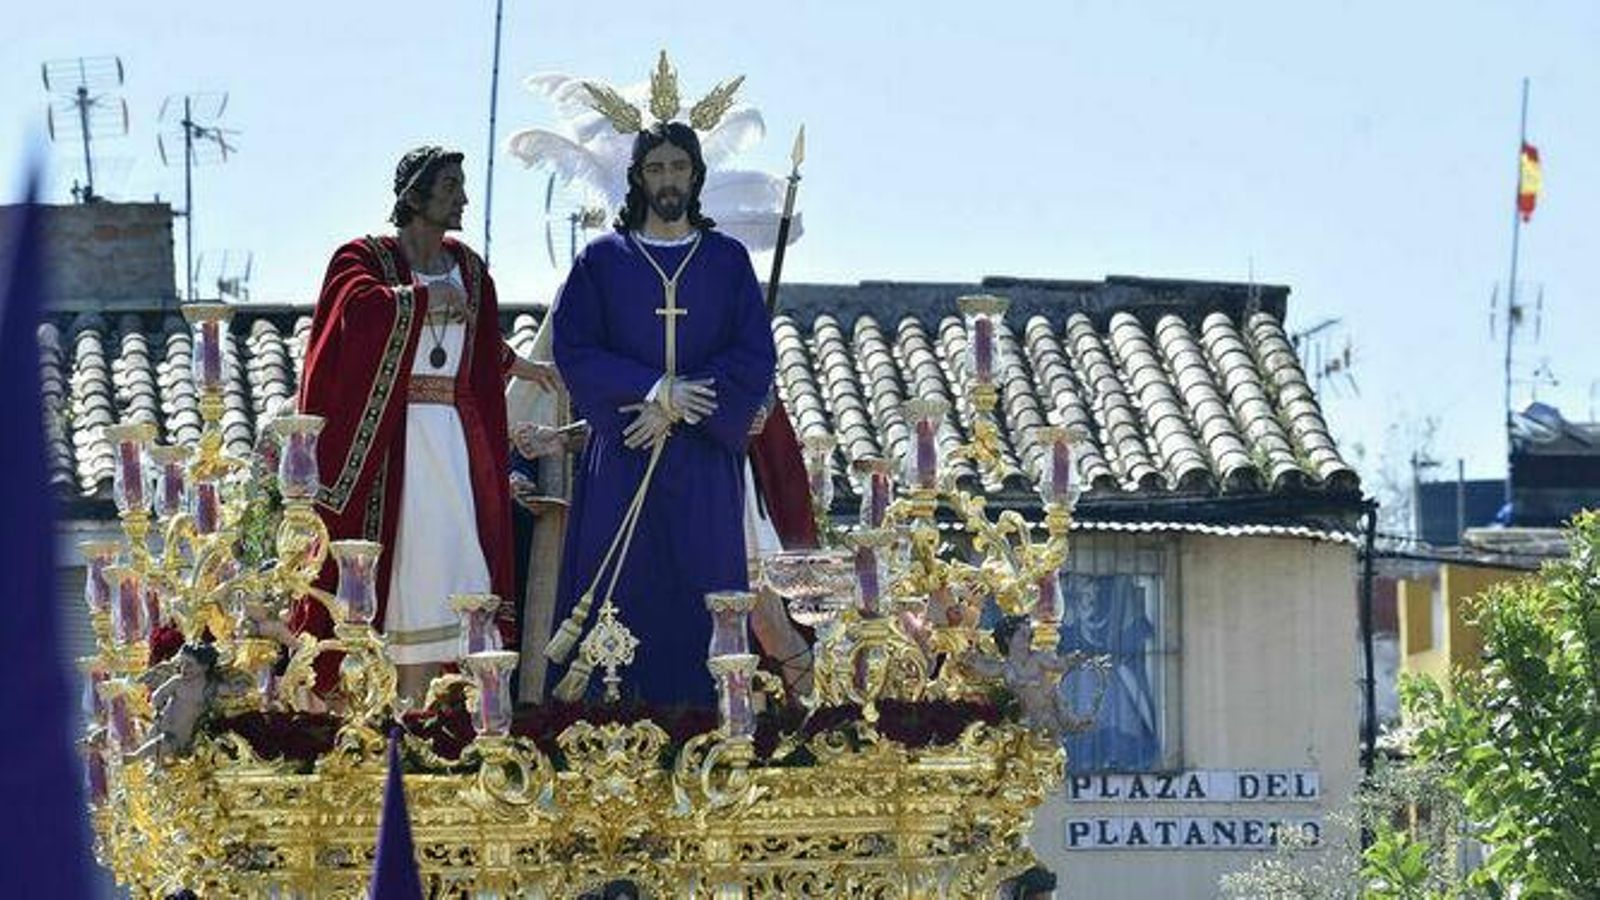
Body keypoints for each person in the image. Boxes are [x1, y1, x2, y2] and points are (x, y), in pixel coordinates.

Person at [295, 146, 557, 702]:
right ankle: (395, 711)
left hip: (456, 445)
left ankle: (456, 714)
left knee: (461, 573)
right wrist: (419, 298)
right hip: (393, 447)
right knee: (403, 576)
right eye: (450, 186)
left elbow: (482, 346)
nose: (462, 197)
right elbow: (354, 312)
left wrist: (527, 368)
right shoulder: (362, 257)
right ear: (414, 196)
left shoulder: (469, 269)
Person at [545, 119, 777, 707]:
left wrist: (680, 402)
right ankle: (605, 737)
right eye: (656, 168)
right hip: (625, 454)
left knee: (702, 593)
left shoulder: (726, 261)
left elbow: (754, 354)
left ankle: (708, 730)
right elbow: (575, 349)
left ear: (696, 175)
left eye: (678, 167)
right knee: (623, 590)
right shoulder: (601, 261)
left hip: (702, 464)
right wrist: (651, 389)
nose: (668, 179)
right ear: (638, 179)